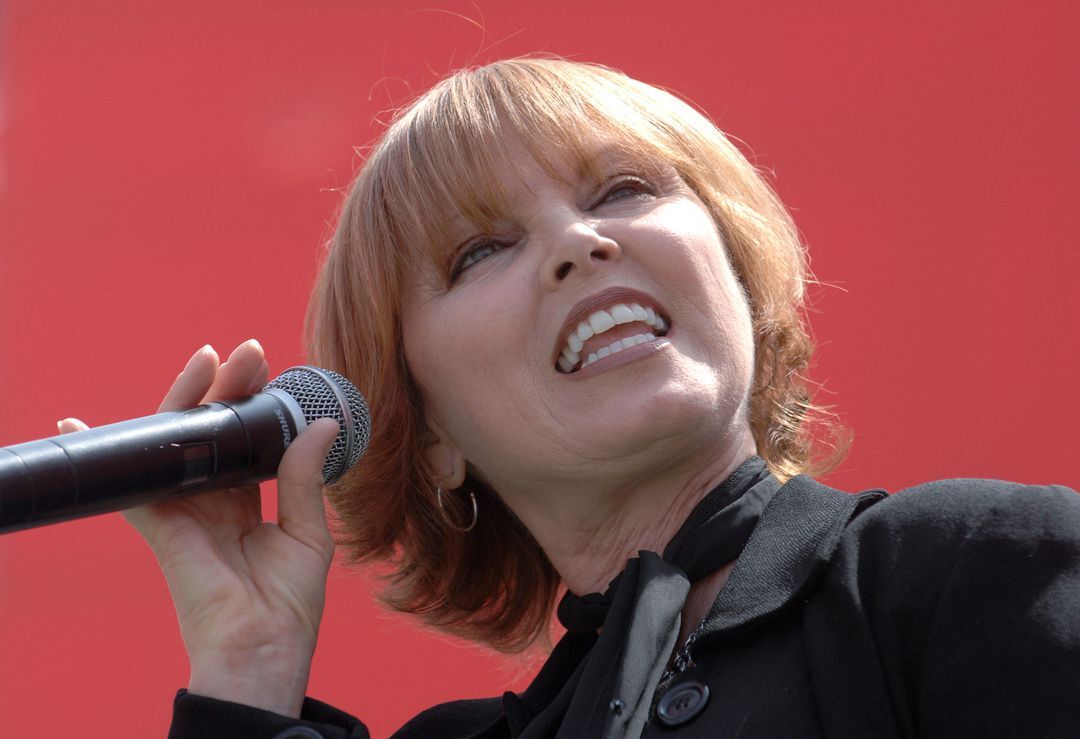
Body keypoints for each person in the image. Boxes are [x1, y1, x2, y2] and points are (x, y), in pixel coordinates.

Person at [63, 58, 1080, 737]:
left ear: (735, 270)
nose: (578, 243)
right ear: (432, 441)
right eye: (481, 249)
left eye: (624, 190)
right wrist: (249, 667)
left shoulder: (967, 566)